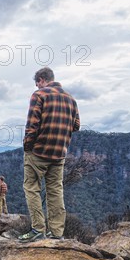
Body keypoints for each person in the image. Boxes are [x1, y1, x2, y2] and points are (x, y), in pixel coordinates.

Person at [19, 67, 80, 242]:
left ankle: (38, 229)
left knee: (32, 187)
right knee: (55, 190)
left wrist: (27, 147)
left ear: (41, 79)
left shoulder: (39, 95)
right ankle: (57, 232)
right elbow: (76, 126)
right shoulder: (71, 99)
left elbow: (32, 125)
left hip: (38, 151)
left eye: (37, 83)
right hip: (60, 152)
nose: (37, 86)